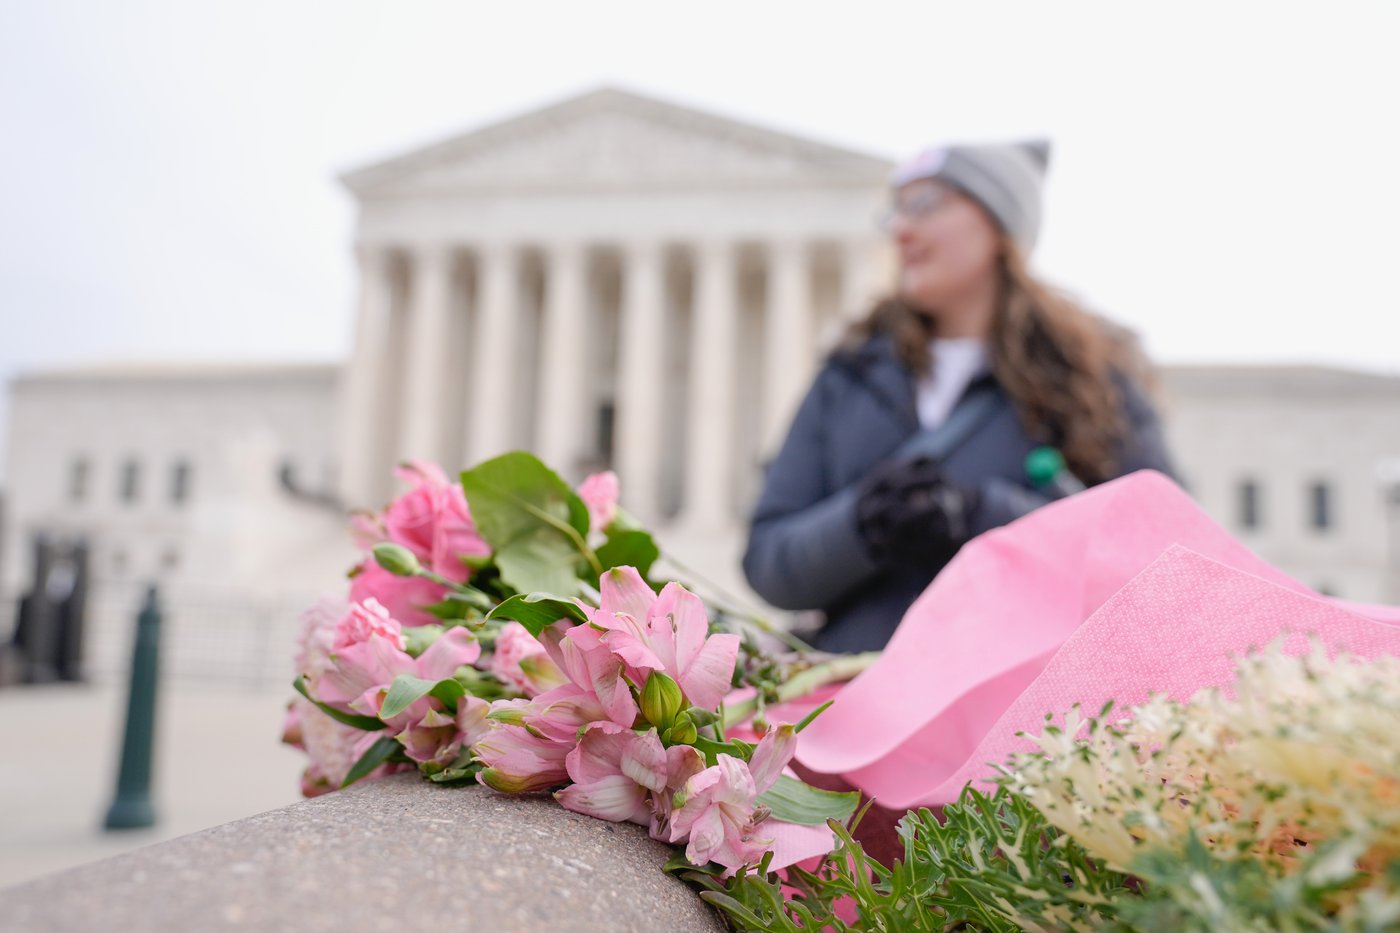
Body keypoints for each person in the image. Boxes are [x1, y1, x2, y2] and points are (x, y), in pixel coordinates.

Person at [742, 140, 1175, 654]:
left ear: (997, 226)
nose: (902, 229)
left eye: (926, 205)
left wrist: (981, 517)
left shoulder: (1093, 380)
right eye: (896, 210)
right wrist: (863, 522)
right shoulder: (848, 378)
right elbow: (770, 564)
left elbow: (1160, 552)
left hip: (1024, 718)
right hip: (858, 708)